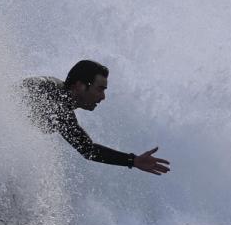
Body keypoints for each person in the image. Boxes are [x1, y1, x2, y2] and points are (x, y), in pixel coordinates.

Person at [20, 60, 170, 175]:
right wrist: (133, 160)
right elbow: (88, 149)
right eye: (100, 89)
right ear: (79, 86)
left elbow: (87, 149)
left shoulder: (62, 103)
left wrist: (133, 160)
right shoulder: (52, 96)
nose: (103, 97)